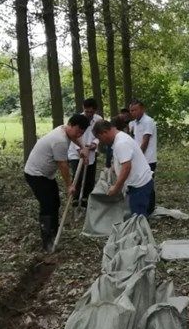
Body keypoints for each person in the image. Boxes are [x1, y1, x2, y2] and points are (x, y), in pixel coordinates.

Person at [23, 114, 89, 251]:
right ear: (70, 124)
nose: (79, 135)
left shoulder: (64, 129)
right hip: (36, 174)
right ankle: (47, 241)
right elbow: (63, 165)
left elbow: (75, 137)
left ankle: (54, 233)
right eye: (78, 131)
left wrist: (82, 147)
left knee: (55, 202)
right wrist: (69, 185)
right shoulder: (60, 141)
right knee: (47, 205)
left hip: (46, 175)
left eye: (82, 133)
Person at [92, 119, 154, 216]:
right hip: (137, 183)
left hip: (139, 185)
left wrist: (116, 187)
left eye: (100, 138)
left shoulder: (121, 143)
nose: (101, 141)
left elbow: (126, 167)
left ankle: (140, 225)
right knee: (135, 213)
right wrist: (115, 167)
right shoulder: (119, 137)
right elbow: (123, 160)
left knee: (138, 217)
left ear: (105, 132)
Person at [68, 98, 102, 206]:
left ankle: (86, 199)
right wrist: (81, 150)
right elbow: (73, 136)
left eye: (91, 112)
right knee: (78, 175)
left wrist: (94, 144)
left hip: (91, 152)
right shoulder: (77, 119)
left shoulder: (98, 120)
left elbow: (99, 135)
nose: (88, 114)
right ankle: (75, 198)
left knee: (89, 178)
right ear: (83, 108)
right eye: (86, 111)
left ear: (95, 110)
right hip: (76, 152)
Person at [128, 99, 158, 214]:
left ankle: (150, 209)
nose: (133, 112)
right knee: (140, 183)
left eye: (135, 110)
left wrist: (137, 156)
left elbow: (145, 141)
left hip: (148, 158)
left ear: (142, 109)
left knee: (148, 183)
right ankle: (142, 207)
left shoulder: (147, 121)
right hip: (140, 158)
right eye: (131, 110)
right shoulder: (135, 123)